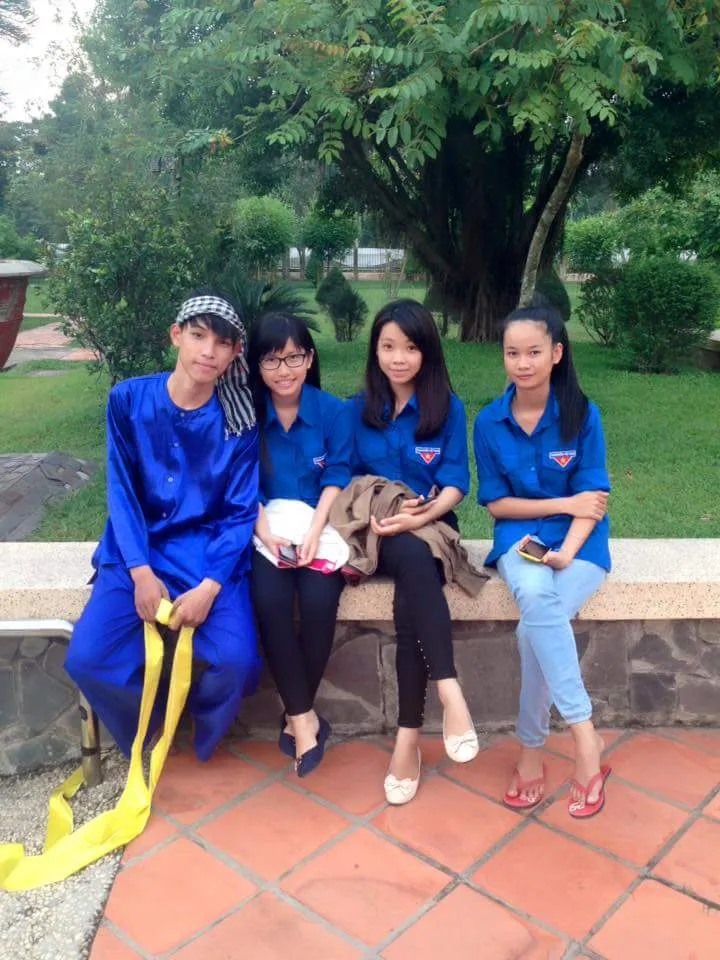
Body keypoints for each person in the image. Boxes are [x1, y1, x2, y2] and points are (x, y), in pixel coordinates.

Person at [65, 291, 262, 762]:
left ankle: (200, 729)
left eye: (222, 343)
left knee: (237, 661)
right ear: (176, 335)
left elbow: (240, 511)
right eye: (198, 336)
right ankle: (150, 726)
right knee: (88, 658)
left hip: (206, 553)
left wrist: (210, 588)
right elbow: (122, 491)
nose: (208, 352)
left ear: (235, 352)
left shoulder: (239, 422)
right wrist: (139, 572)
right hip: (135, 549)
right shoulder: (128, 400)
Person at [473, 294, 611, 818]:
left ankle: (531, 749)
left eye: (534, 352)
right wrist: (561, 504)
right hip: (520, 538)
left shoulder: (582, 415)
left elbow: (592, 502)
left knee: (533, 630)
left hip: (581, 542)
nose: (522, 363)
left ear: (556, 352)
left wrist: (567, 552)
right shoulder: (489, 422)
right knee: (533, 596)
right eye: (512, 353)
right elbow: (496, 503)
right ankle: (585, 735)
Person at [348, 299, 478, 805]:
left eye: (409, 347)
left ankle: (407, 740)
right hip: (377, 528)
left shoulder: (448, 408)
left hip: (432, 526)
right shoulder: (357, 409)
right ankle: (449, 690)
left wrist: (420, 517)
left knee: (412, 594)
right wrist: (388, 515)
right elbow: (347, 481)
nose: (398, 358)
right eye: (388, 346)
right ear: (375, 350)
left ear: (427, 352)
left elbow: (455, 481)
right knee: (411, 559)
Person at [248, 312, 352, 777]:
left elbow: (337, 474)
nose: (284, 370)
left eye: (293, 358)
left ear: (309, 359)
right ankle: (305, 720)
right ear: (257, 366)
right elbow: (240, 481)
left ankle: (297, 715)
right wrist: (264, 532)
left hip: (320, 526)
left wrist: (313, 532)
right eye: (271, 360)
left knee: (318, 601)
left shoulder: (333, 411)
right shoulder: (247, 415)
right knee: (269, 600)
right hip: (264, 528)